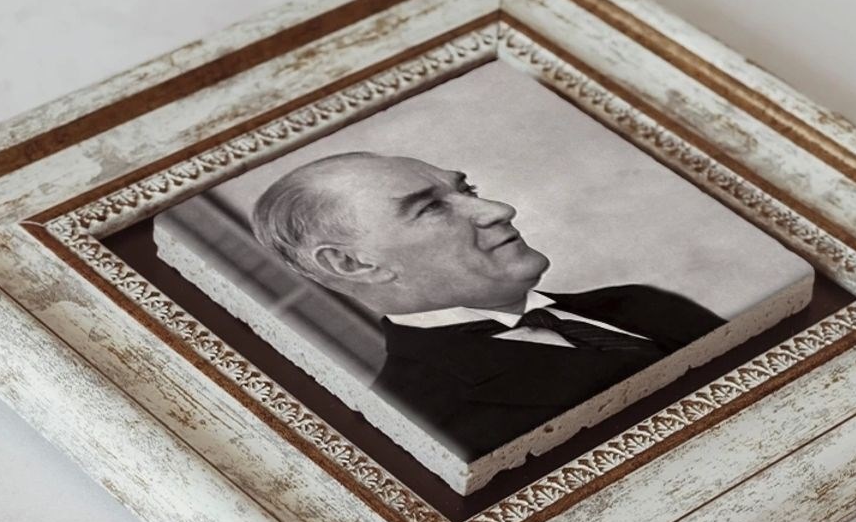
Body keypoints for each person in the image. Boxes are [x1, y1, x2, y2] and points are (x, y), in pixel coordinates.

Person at [250, 150, 724, 460]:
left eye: (466, 191)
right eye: (430, 208)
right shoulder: (422, 435)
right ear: (352, 263)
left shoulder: (641, 303)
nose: (498, 210)